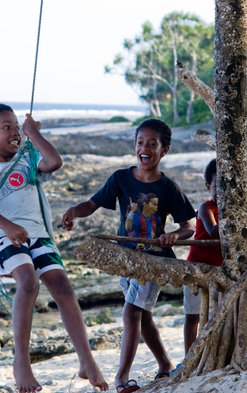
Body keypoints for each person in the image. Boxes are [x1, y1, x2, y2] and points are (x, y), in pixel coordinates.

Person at [0, 103, 108, 393]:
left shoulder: (27, 161)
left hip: (38, 236)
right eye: (6, 127)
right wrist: (8, 226)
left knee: (63, 287)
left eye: (16, 127)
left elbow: (54, 161)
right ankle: (22, 362)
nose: (14, 132)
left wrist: (33, 134)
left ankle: (86, 359)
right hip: (3, 238)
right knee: (28, 281)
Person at [61, 118, 196, 393]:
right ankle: (165, 365)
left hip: (153, 262)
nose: (144, 148)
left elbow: (188, 227)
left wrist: (173, 235)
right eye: (140, 142)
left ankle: (121, 378)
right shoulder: (121, 178)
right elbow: (92, 204)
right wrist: (74, 210)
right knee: (142, 316)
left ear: (164, 150)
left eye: (152, 144)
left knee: (132, 311)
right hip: (125, 261)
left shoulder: (169, 187)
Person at [183, 159, 223, 355]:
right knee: (193, 316)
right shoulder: (206, 208)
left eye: (228, 186)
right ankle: (188, 358)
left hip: (220, 272)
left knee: (218, 315)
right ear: (208, 186)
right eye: (218, 186)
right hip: (197, 270)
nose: (223, 191)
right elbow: (214, 231)